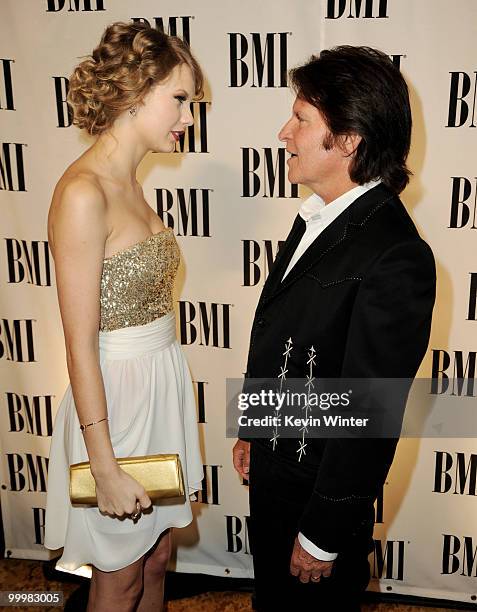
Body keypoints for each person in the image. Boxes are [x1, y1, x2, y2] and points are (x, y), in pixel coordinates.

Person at [233, 46, 436, 611]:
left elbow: (371, 412)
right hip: (279, 476)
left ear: (348, 140)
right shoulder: (319, 218)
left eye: (301, 119)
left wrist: (323, 533)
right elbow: (285, 336)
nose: (284, 133)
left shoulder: (394, 255)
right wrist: (256, 426)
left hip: (315, 505)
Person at [44, 22, 204, 612]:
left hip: (160, 384)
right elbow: (79, 343)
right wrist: (102, 465)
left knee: (158, 559)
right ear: (137, 91)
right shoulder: (84, 193)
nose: (188, 117)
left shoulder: (131, 183)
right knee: (120, 575)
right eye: (180, 99)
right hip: (117, 404)